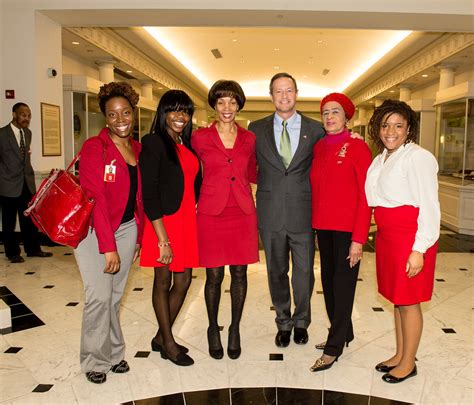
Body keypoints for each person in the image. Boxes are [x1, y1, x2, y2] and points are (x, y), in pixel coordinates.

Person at [365, 99, 440, 383]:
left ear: (409, 129)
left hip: (410, 238)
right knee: (397, 300)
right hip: (387, 238)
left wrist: (419, 249)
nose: (391, 131)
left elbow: (430, 207)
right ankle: (399, 354)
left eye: (398, 125)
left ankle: (409, 362)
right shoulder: (380, 158)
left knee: (409, 302)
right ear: (378, 128)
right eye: (385, 125)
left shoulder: (418, 157)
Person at [248, 73, 325, 347]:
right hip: (270, 214)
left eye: (289, 91)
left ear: (296, 93)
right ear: (271, 96)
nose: (284, 96)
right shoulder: (255, 129)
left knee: (304, 273)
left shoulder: (316, 130)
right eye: (278, 92)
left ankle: (301, 321)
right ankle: (283, 321)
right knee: (276, 272)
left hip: (303, 213)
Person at [74, 82, 144, 384]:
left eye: (125, 113)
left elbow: (139, 198)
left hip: (127, 229)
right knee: (99, 298)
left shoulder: (137, 148)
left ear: (133, 113)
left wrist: (138, 237)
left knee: (114, 297)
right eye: (113, 115)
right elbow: (95, 199)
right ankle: (94, 359)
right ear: (105, 118)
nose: (120, 120)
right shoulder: (95, 147)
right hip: (94, 233)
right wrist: (108, 246)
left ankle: (115, 354)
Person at [192, 80, 258, 360]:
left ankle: (234, 329)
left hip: (242, 211)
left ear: (239, 105)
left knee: (240, 274)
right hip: (211, 212)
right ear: (214, 106)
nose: (227, 107)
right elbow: (188, 170)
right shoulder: (199, 138)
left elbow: (254, 171)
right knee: (214, 276)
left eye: (232, 102)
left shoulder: (249, 138)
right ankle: (212, 328)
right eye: (221, 102)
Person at [308, 93, 372, 372]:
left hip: (348, 230)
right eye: (325, 113)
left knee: (343, 288)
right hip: (324, 227)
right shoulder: (320, 147)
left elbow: (365, 195)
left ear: (347, 117)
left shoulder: (357, 148)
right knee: (330, 285)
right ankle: (343, 332)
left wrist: (358, 239)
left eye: (335, 112)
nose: (330, 117)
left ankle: (334, 348)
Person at [139, 90, 201, 367]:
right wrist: (162, 239)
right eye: (174, 110)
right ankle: (168, 343)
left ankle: (160, 337)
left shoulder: (185, 144)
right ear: (162, 112)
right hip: (163, 223)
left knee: (184, 281)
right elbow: (150, 193)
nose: (180, 116)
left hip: (186, 221)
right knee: (163, 282)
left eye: (185, 111)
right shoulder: (153, 142)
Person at [0, 103, 53, 263]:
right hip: (8, 184)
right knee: (9, 221)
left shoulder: (27, 133)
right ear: (14, 114)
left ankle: (33, 249)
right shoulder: (2, 134)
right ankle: (12, 253)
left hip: (26, 183)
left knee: (29, 219)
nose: (27, 118)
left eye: (29, 115)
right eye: (23, 115)